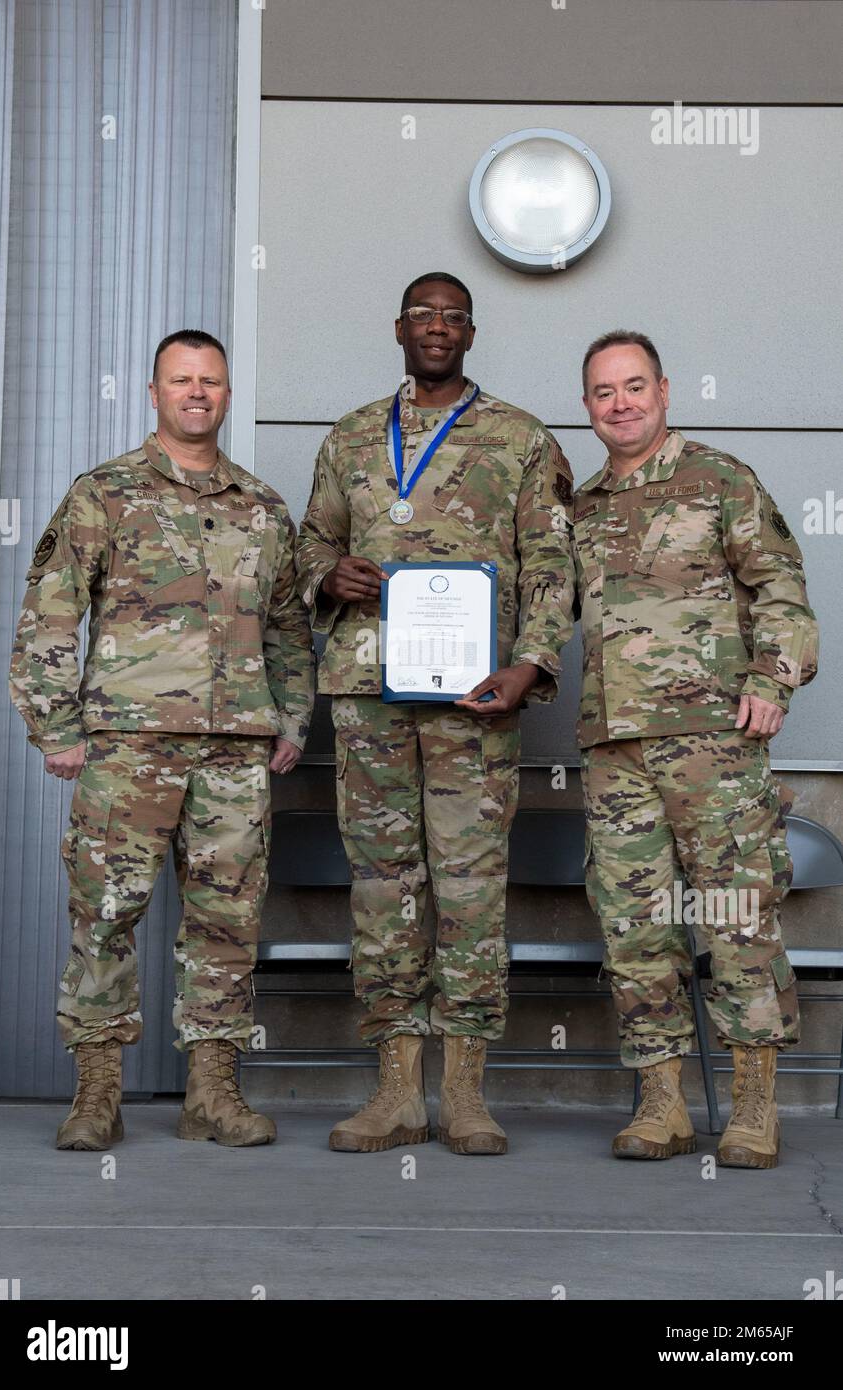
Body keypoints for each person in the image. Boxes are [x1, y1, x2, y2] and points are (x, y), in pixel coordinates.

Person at [9, 330, 314, 1150]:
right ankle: (97, 1090)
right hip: (128, 747)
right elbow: (50, 616)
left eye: (211, 381)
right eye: (181, 380)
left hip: (234, 750)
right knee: (106, 912)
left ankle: (212, 1090)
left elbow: (287, 627)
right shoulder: (103, 494)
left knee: (227, 918)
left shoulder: (262, 507)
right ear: (153, 393)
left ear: (226, 392)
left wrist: (290, 720)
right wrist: (56, 727)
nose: (197, 394)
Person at [296, 273, 574, 1155]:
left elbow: (551, 566)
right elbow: (310, 540)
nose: (438, 328)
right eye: (423, 315)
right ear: (398, 327)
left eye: (454, 317)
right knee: (383, 886)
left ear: (472, 332)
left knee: (468, 887)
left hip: (474, 701)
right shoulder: (349, 438)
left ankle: (465, 1093)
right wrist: (326, 574)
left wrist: (530, 665)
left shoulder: (522, 439)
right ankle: (394, 1094)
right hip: (369, 694)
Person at [574, 329, 818, 1168]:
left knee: (735, 918)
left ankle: (753, 1107)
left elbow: (781, 587)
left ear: (666, 391)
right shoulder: (582, 505)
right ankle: (663, 1104)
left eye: (634, 386)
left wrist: (772, 678)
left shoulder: (720, 480)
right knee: (635, 926)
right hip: (615, 752)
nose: (622, 403)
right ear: (588, 408)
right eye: (605, 392)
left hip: (714, 744)